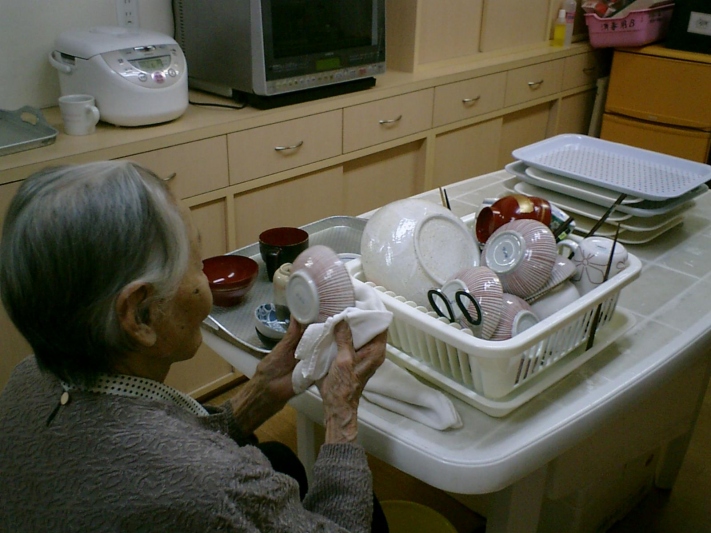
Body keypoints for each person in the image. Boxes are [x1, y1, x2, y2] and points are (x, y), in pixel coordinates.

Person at [0, 161, 389, 532]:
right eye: (197, 263)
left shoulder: (25, 383)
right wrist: (340, 418)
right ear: (141, 316)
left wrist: (256, 395)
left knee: (281, 459)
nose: (204, 278)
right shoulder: (220, 488)